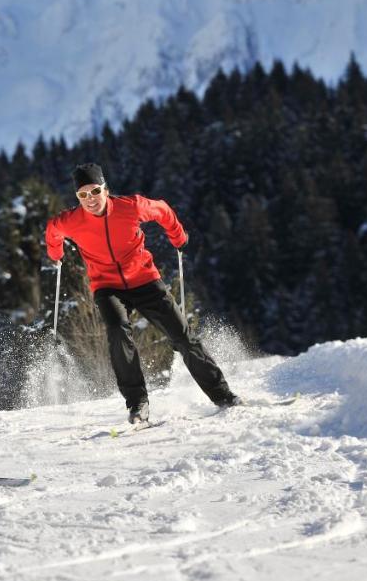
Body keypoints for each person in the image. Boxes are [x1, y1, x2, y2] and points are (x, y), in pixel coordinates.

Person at [44, 163, 239, 423]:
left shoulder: (131, 206)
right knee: (117, 331)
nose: (90, 199)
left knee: (182, 337)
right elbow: (52, 231)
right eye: (83, 195)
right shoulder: (72, 221)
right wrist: (55, 255)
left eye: (95, 191)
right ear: (77, 198)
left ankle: (223, 395)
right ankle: (137, 404)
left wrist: (178, 237)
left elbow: (163, 211)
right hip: (106, 286)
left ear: (105, 188)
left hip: (145, 280)